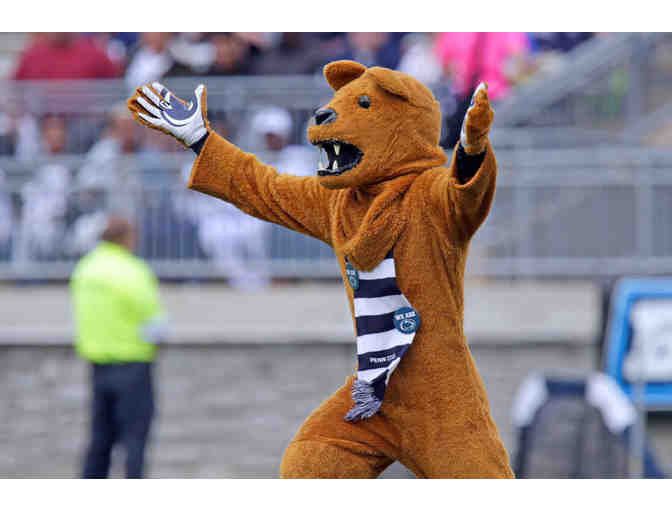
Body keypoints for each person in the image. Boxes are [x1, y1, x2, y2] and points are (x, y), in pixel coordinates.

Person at [70, 216, 166, 478]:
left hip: (98, 364)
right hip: (133, 363)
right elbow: (153, 322)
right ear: (126, 238)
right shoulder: (132, 271)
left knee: (100, 439)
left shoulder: (85, 269)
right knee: (135, 440)